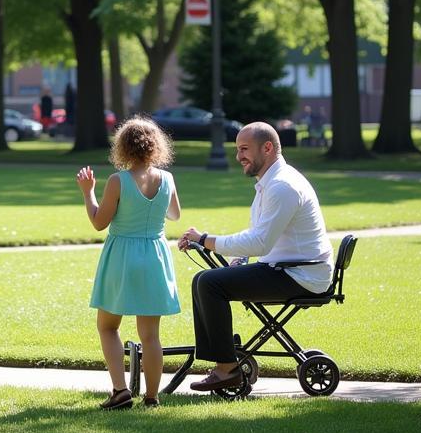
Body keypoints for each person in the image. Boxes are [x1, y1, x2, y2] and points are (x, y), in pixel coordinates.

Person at [178, 121, 333, 392]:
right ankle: (225, 362)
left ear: (268, 147)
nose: (239, 157)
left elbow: (260, 242)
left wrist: (205, 240)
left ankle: (226, 368)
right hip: (289, 269)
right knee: (205, 279)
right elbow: (260, 237)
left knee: (209, 283)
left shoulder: (283, 186)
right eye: (238, 149)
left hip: (299, 274)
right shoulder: (270, 183)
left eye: (245, 149)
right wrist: (235, 258)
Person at [76, 116, 181, 410]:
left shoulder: (118, 181)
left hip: (122, 256)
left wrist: (88, 193)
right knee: (150, 336)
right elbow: (174, 215)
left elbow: (99, 222)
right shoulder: (167, 179)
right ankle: (151, 397)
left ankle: (120, 391)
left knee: (108, 326)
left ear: (123, 147)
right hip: (155, 255)